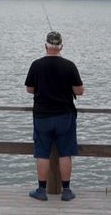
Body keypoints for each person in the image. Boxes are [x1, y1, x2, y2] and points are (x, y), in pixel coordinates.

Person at [24, 31, 84, 202]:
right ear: (61, 47)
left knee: (42, 153)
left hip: (42, 116)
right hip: (65, 116)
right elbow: (79, 91)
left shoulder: (36, 65)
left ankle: (41, 190)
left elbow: (29, 89)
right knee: (66, 153)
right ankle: (66, 191)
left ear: (46, 46)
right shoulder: (69, 66)